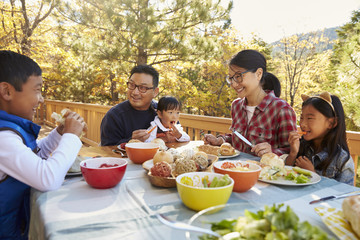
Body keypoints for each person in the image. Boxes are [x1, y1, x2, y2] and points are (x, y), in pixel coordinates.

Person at [0, 50, 87, 239]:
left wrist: (60, 133)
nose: (41, 99)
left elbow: (35, 156)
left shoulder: (9, 130)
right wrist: (71, 136)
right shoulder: (3, 139)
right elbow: (48, 179)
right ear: (7, 91)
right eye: (37, 90)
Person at [204, 49, 297, 157]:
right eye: (231, 78)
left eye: (238, 76)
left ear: (258, 74)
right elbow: (238, 138)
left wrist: (272, 152)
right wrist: (220, 141)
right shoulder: (236, 106)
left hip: (264, 173)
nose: (233, 84)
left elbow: (291, 152)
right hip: (234, 169)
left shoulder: (281, 109)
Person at [285, 92, 355, 185]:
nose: (302, 124)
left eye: (309, 118)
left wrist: (312, 173)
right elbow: (284, 176)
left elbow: (344, 195)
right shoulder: (301, 146)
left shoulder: (342, 160)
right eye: (301, 118)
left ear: (331, 123)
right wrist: (293, 153)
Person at [100, 65, 159, 146]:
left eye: (142, 88)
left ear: (155, 92)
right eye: (132, 85)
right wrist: (131, 141)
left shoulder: (163, 111)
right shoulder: (114, 116)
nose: (135, 92)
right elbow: (106, 151)